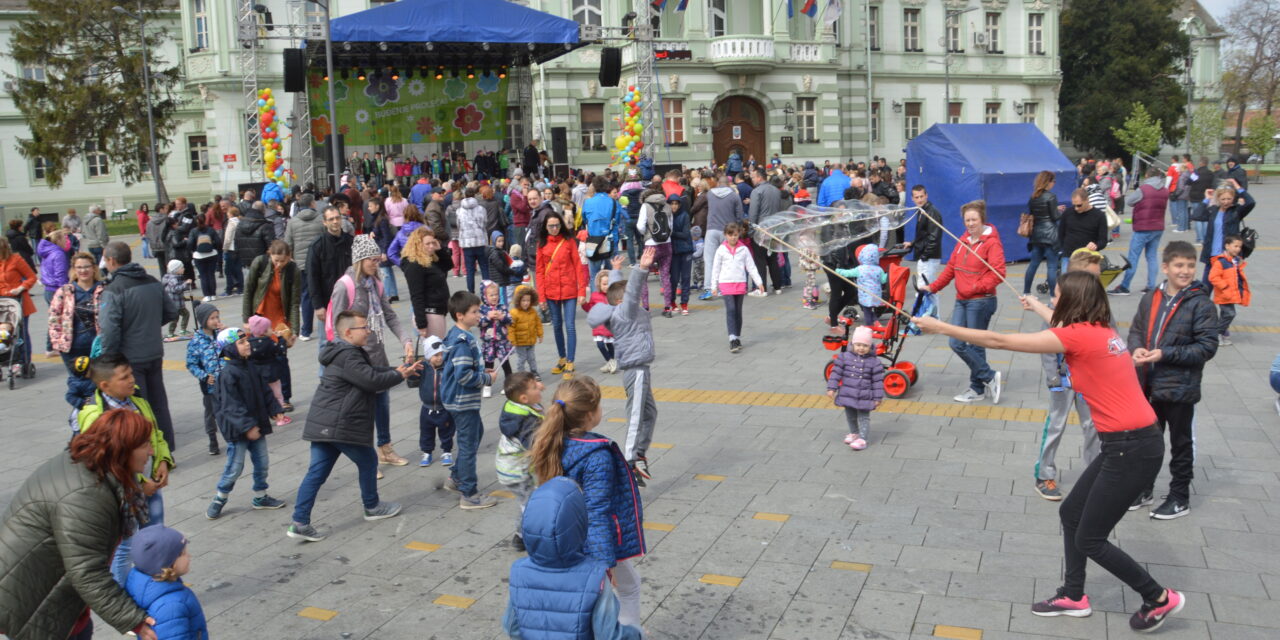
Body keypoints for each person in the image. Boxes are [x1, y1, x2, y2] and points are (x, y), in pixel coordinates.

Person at [916, 271, 1187, 633]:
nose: (1054, 301)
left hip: (1131, 447)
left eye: (1057, 297)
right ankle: (1074, 596)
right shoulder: (1102, 329)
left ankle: (1157, 597)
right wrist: (1039, 307)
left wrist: (942, 327)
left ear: (1073, 302)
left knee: (1089, 537)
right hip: (1129, 442)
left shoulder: (1077, 337)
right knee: (1072, 514)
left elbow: (999, 340)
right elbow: (1062, 326)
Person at [0, 409, 159, 640]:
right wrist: (133, 620)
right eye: (145, 445)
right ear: (122, 450)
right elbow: (87, 571)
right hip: (35, 600)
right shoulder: (87, 494)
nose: (151, 451)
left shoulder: (97, 467)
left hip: (55, 593)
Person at [288, 310, 419, 542]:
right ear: (348, 332)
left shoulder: (346, 352)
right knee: (368, 460)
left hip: (325, 424)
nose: (368, 330)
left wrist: (396, 371)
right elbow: (371, 381)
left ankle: (299, 521)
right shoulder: (348, 355)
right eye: (363, 327)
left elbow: (369, 373)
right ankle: (372, 506)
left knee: (317, 472)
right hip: (339, 423)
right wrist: (399, 376)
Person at [528, 377, 645, 629]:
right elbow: (596, 512)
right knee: (628, 589)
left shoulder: (551, 443)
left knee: (619, 589)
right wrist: (605, 563)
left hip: (565, 537)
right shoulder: (597, 455)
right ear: (591, 414)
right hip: (595, 544)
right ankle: (630, 634)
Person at [1127, 241, 1219, 520]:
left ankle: (1180, 497)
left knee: (1180, 445)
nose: (1186, 271)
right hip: (1148, 385)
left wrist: (1164, 354)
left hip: (1179, 388)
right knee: (1148, 442)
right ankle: (1144, 489)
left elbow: (1206, 347)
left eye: (1191, 265)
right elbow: (1136, 330)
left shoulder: (1201, 304)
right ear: (1165, 267)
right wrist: (1136, 348)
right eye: (1179, 265)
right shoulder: (1151, 297)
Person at [503, 476, 645, 640]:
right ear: (580, 523)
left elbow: (512, 627)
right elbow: (609, 635)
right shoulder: (595, 577)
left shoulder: (519, 571)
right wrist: (636, 633)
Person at [76, 354, 175, 585]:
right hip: (123, 490)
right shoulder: (95, 416)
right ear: (104, 385)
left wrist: (163, 461)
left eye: (131, 374)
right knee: (125, 545)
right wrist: (139, 482)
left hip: (150, 485)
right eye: (125, 377)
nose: (132, 380)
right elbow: (107, 459)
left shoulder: (137, 399)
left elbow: (156, 435)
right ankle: (123, 594)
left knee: (156, 534)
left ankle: (158, 583)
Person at [327, 235, 416, 466]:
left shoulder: (375, 283)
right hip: (355, 360)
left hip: (377, 354)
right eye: (372, 260)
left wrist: (406, 340)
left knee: (382, 405)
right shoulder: (344, 286)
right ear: (360, 259)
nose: (376, 263)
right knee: (361, 410)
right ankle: (367, 458)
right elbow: (338, 327)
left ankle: (385, 448)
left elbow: (389, 315)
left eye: (377, 259)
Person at [1033, 249, 1105, 501]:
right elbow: (1046, 345)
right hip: (1062, 380)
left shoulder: (1100, 306)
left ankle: (1093, 474)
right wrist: (1053, 378)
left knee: (1093, 426)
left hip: (1089, 379)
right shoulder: (1058, 307)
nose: (1097, 283)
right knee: (1056, 423)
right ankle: (1044, 474)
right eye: (1092, 277)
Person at [587, 249, 660, 485]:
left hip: (641, 369)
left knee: (649, 413)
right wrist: (642, 268)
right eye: (631, 297)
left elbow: (618, 293)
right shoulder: (625, 312)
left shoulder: (620, 309)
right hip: (635, 370)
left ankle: (638, 453)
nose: (636, 299)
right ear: (622, 302)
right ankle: (630, 459)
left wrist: (616, 270)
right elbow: (628, 295)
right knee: (637, 415)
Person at [923, 200, 1006, 404]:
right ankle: (987, 377)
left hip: (981, 301)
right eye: (967, 220)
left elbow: (999, 273)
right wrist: (932, 287)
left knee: (974, 344)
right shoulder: (962, 240)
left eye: (974, 219)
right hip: (962, 300)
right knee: (957, 342)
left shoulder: (991, 243)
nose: (970, 223)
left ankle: (978, 387)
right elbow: (951, 268)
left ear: (982, 219)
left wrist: (974, 287)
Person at [100, 241, 179, 450]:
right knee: (158, 401)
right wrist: (150, 324)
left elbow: (109, 330)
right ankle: (167, 446)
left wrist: (108, 360)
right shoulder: (152, 281)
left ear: (111, 260)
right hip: (154, 351)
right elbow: (172, 312)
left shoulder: (114, 289)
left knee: (137, 404)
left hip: (130, 357)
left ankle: (147, 448)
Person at [205, 327, 287, 519]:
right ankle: (220, 497)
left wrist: (275, 409)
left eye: (247, 340)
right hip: (239, 430)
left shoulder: (251, 366)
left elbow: (265, 392)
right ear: (230, 349)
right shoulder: (228, 374)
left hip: (256, 426)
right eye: (241, 343)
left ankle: (260, 495)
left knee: (262, 463)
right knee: (235, 467)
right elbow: (230, 406)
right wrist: (247, 426)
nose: (247, 344)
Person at [441, 291, 500, 510]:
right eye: (474, 312)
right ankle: (469, 493)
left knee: (476, 434)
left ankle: (456, 477)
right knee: (467, 444)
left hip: (459, 400)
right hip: (462, 401)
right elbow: (463, 376)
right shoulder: (463, 342)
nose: (479, 315)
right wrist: (487, 378)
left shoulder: (456, 335)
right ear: (460, 315)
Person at [124, 526, 208, 640]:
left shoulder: (143, 582)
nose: (189, 556)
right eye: (183, 553)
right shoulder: (172, 606)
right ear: (168, 563)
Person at [495, 371, 544, 550]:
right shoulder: (527, 421)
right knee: (529, 504)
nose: (539, 386)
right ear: (524, 398)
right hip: (517, 472)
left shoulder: (514, 408)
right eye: (534, 386)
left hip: (509, 468)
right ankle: (523, 537)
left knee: (528, 501)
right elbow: (533, 444)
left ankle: (522, 535)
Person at [536, 211, 585, 379]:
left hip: (569, 289)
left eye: (557, 225)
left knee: (570, 325)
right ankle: (562, 358)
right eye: (551, 226)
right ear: (545, 227)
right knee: (557, 325)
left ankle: (570, 360)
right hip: (551, 291)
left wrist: (582, 291)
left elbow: (578, 266)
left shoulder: (569, 241)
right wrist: (541, 297)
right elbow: (539, 271)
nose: (554, 228)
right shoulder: (541, 244)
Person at [1110, 168, 1168, 296]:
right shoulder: (1165, 190)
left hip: (1143, 226)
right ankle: (1151, 286)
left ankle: (1125, 286)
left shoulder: (1143, 189)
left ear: (1147, 175)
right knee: (1152, 256)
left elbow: (1130, 201)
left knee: (1133, 257)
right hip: (1158, 226)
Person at [709, 222, 765, 353]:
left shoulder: (744, 249)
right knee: (731, 309)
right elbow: (715, 269)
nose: (733, 238)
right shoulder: (721, 250)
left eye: (735, 235)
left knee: (738, 311)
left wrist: (759, 282)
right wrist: (714, 286)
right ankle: (732, 338)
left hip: (740, 283)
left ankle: (737, 337)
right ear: (725, 235)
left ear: (739, 234)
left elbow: (751, 267)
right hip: (726, 283)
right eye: (730, 235)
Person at [826, 326, 884, 451]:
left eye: (865, 345)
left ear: (870, 346)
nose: (861, 348)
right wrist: (832, 387)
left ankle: (863, 439)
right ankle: (854, 433)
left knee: (863, 417)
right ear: (853, 344)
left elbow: (877, 381)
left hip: (865, 395)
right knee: (850, 416)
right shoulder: (844, 357)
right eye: (858, 345)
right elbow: (836, 373)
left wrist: (878, 397)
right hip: (848, 393)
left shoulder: (874, 362)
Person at [49, 252, 104, 382]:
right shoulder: (65, 291)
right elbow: (54, 318)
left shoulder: (104, 289)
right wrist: (57, 342)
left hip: (98, 347)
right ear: (73, 269)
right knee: (78, 384)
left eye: (86, 266)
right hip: (72, 348)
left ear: (93, 268)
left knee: (100, 383)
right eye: (79, 267)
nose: (83, 270)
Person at [306, 207, 355, 345]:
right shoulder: (317, 246)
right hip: (328, 303)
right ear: (324, 222)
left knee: (352, 340)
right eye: (331, 219)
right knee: (327, 343)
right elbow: (312, 277)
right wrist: (318, 305)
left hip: (350, 301)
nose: (335, 221)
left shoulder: (351, 242)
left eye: (337, 218)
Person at [1191, 183, 1255, 283]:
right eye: (1223, 199)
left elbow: (1251, 202)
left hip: (1228, 257)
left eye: (1229, 199)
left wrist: (1237, 187)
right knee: (1205, 288)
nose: (1226, 202)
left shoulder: (1236, 211)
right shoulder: (1213, 211)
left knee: (1227, 290)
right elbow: (1196, 215)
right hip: (1212, 256)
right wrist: (1206, 199)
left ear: (1233, 198)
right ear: (1218, 199)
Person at [186, 303, 226, 455]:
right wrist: (204, 376)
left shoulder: (222, 335)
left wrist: (227, 332)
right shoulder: (195, 342)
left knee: (227, 409)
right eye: (212, 318)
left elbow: (235, 346)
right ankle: (212, 439)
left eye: (217, 317)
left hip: (226, 381)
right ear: (203, 321)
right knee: (211, 413)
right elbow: (191, 364)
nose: (216, 320)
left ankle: (231, 435)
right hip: (210, 386)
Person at [401, 227, 454, 340]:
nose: (431, 246)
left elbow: (448, 265)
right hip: (430, 313)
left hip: (438, 311)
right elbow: (416, 295)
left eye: (433, 242)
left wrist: (439, 249)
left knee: (438, 351)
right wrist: (422, 324)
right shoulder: (414, 265)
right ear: (418, 245)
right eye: (427, 244)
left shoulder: (430, 259)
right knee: (436, 352)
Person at [284, 194, 323, 338]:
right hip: (320, 262)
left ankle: (306, 331)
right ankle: (327, 327)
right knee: (324, 293)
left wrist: (291, 259)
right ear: (313, 203)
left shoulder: (292, 222)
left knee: (306, 295)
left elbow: (288, 243)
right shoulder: (320, 219)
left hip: (301, 264)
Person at [700, 177, 744, 300]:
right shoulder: (734, 196)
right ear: (729, 184)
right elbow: (739, 216)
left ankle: (709, 288)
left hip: (711, 229)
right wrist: (738, 228)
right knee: (727, 260)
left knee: (709, 260)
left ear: (718, 184)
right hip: (728, 232)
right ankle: (726, 287)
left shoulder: (710, 194)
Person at [416, 335, 454, 468]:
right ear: (427, 356)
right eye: (435, 355)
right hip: (426, 408)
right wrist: (411, 368)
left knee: (447, 431)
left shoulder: (448, 367)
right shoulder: (423, 368)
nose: (439, 357)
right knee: (426, 432)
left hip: (444, 408)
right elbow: (412, 381)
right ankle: (427, 452)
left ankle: (447, 451)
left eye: (441, 354)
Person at [1021, 173, 1063, 295]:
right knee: (1051, 267)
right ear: (1047, 182)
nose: (1054, 184)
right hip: (1050, 235)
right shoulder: (1051, 196)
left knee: (1033, 265)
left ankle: (1026, 293)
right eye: (1053, 181)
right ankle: (1053, 297)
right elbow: (1054, 217)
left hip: (1036, 235)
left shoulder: (1033, 197)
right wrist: (1061, 212)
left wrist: (1055, 209)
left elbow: (1036, 215)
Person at [0, 236, 38, 370]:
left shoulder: (15, 259)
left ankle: (24, 360)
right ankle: (7, 359)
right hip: (1, 303)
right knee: (3, 333)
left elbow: (32, 277)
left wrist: (21, 287)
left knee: (20, 333)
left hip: (18, 300)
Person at [636, 190, 675, 313]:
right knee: (665, 276)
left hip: (651, 246)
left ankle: (646, 307)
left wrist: (647, 235)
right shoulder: (667, 205)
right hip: (667, 244)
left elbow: (640, 226)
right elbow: (671, 226)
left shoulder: (645, 206)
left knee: (643, 276)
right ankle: (668, 307)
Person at [1208, 234, 1249, 347]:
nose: (1238, 249)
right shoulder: (1221, 261)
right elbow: (1213, 277)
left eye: (1239, 247)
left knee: (1225, 314)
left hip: (1231, 293)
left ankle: (1223, 333)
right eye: (1235, 246)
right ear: (1227, 246)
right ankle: (1217, 333)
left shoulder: (1234, 261)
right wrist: (1225, 286)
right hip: (1224, 294)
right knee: (1230, 314)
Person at [835, 245, 888, 326]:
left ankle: (870, 326)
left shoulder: (860, 269)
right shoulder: (879, 269)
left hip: (865, 295)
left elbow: (848, 273)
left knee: (867, 311)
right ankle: (877, 323)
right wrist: (888, 274)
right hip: (876, 295)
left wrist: (838, 271)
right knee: (869, 310)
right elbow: (883, 280)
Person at [1059, 189, 1108, 273]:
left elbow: (1103, 241)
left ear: (1087, 200)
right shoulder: (1067, 213)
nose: (1076, 208)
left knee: (1086, 284)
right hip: (1068, 256)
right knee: (1066, 283)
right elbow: (1060, 233)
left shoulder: (1099, 215)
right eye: (1074, 205)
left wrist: (1096, 245)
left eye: (1079, 205)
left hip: (1088, 258)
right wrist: (1062, 250)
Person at [479, 280, 514, 398]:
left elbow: (510, 320)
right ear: (485, 296)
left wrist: (502, 317)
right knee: (488, 364)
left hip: (502, 342)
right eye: (491, 295)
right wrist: (488, 318)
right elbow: (478, 323)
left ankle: (509, 385)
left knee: (505, 363)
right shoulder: (482, 309)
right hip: (488, 343)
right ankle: (487, 385)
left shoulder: (502, 307)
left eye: (496, 294)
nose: (494, 297)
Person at [905, 185, 944, 285]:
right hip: (926, 257)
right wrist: (912, 243)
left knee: (923, 288)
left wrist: (924, 256)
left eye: (921, 196)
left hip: (929, 258)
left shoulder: (931, 212)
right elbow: (923, 234)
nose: (919, 199)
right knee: (930, 289)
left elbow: (934, 237)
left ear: (926, 195)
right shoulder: (922, 211)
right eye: (917, 197)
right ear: (912, 198)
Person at [367, 197, 402, 303]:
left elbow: (386, 236)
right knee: (388, 271)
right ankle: (393, 293)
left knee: (385, 272)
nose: (368, 208)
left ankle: (388, 295)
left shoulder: (381, 219)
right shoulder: (379, 218)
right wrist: (373, 233)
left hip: (383, 248)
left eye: (370, 206)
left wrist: (384, 252)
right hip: (383, 246)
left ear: (377, 206)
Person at [584, 269, 618, 373]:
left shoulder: (613, 296)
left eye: (608, 284)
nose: (606, 286)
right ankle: (610, 361)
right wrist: (584, 303)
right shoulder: (594, 296)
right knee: (600, 344)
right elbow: (589, 309)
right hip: (599, 326)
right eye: (604, 284)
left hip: (609, 326)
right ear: (599, 284)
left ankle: (611, 362)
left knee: (609, 344)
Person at [509, 284, 543, 380]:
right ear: (518, 300)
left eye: (528, 300)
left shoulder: (533, 311)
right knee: (521, 359)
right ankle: (521, 374)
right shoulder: (514, 313)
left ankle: (534, 372)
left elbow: (538, 323)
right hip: (520, 342)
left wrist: (540, 335)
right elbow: (511, 328)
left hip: (531, 340)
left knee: (532, 358)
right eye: (523, 300)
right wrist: (512, 340)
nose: (526, 303)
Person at [161, 261, 193, 341]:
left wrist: (186, 284)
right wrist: (185, 284)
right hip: (176, 303)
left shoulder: (175, 277)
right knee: (179, 316)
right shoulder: (173, 279)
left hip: (176, 302)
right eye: (182, 268)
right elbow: (176, 289)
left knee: (180, 316)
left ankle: (175, 332)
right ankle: (174, 332)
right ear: (176, 270)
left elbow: (180, 287)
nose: (183, 269)